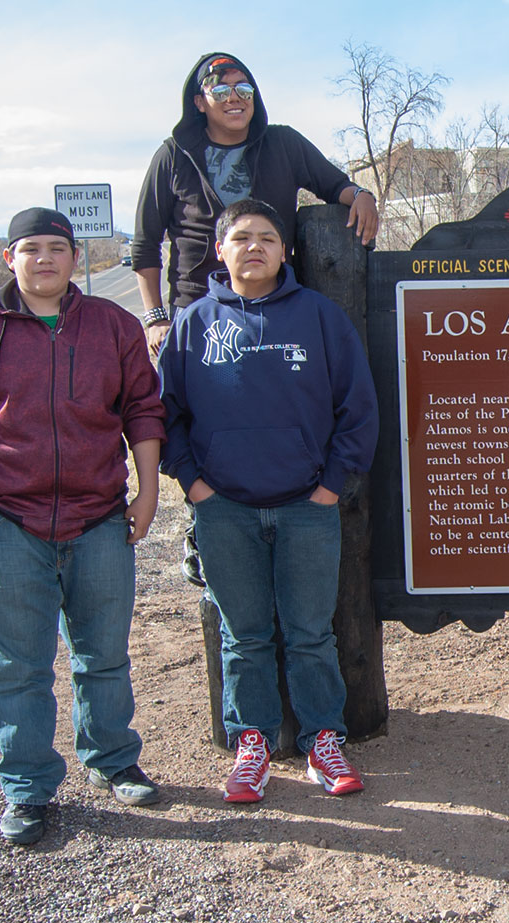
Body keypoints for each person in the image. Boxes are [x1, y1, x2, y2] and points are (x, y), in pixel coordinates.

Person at [0, 208, 166, 845]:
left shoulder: (111, 325)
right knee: (17, 667)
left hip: (99, 518)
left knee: (103, 655)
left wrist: (147, 492)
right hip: (8, 522)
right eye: (31, 249)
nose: (45, 259)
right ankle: (27, 787)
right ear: (10, 258)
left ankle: (113, 760)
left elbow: (142, 409)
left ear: (76, 258)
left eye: (58, 248)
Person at [159, 199, 379, 803]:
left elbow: (357, 409)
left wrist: (330, 486)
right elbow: (164, 414)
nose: (254, 246)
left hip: (307, 506)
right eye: (241, 237)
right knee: (244, 635)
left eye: (267, 237)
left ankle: (323, 741)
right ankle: (251, 744)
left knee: (311, 634)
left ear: (285, 251)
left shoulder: (319, 317)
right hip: (224, 508)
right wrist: (194, 485)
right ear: (220, 250)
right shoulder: (195, 323)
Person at [134, 51, 378, 587]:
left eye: (244, 89)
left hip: (276, 306)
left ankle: (297, 515)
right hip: (198, 312)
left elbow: (333, 183)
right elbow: (146, 243)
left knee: (277, 412)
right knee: (198, 421)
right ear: (200, 101)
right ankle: (204, 528)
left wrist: (360, 195)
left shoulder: (283, 143)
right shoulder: (174, 155)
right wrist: (155, 317)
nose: (235, 99)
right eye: (221, 90)